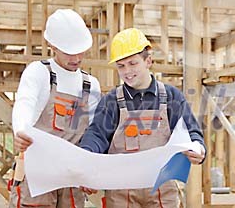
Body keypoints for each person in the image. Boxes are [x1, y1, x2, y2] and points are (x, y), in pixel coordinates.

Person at [80, 28, 206, 208]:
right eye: (121, 66)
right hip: (121, 192)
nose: (127, 71)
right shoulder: (111, 101)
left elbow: (192, 132)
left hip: (163, 190)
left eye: (133, 63)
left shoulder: (171, 97)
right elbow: (97, 136)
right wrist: (86, 160)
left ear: (148, 61)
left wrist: (198, 147)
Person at [9, 9, 102, 208]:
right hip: (37, 174)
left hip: (71, 177)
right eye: (69, 52)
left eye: (81, 51)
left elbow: (94, 131)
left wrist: (92, 170)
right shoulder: (39, 72)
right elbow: (25, 103)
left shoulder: (91, 85)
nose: (76, 58)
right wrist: (21, 131)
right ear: (52, 46)